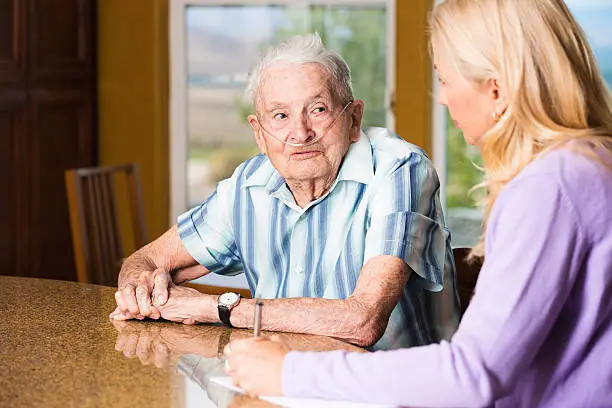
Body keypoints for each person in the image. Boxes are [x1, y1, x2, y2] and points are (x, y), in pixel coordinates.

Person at [222, 0, 612, 406]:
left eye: (444, 78)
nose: (441, 98)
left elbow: (473, 374)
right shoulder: (590, 163)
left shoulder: (549, 187)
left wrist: (288, 371)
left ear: (494, 88)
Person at [110, 33, 459, 350]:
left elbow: (362, 321)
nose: (300, 133)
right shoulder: (248, 186)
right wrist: (140, 289)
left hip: (394, 394)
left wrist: (214, 308)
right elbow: (147, 259)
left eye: (318, 109)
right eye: (280, 116)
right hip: (283, 385)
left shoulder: (400, 168)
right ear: (259, 134)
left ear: (353, 119)